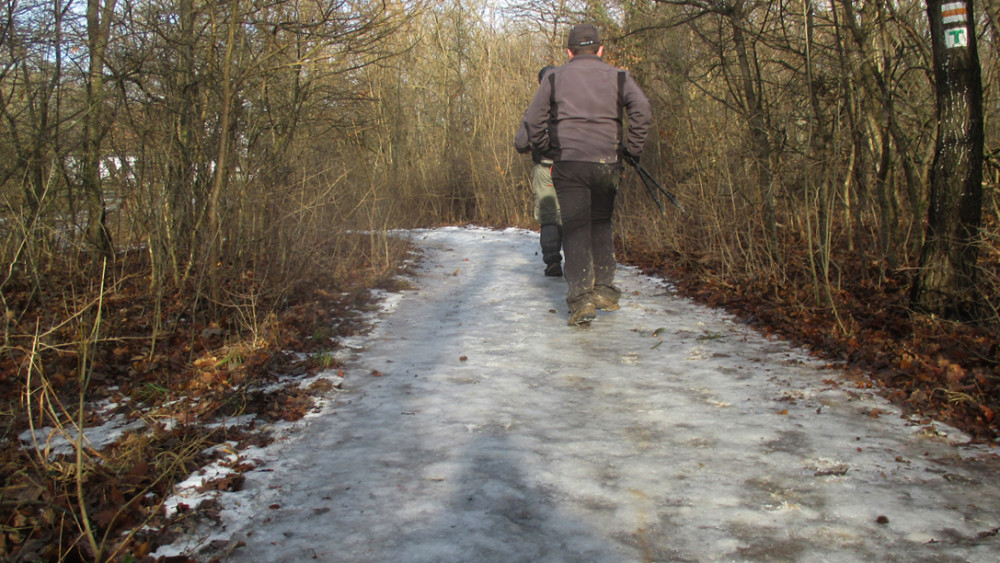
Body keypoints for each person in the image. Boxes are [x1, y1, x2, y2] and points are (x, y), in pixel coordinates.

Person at [524, 23, 652, 326]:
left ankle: (581, 299)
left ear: (569, 52)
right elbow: (642, 109)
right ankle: (605, 291)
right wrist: (631, 150)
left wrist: (549, 148)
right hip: (608, 161)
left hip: (568, 163)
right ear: (600, 49)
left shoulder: (554, 77)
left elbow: (533, 120)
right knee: (601, 223)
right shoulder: (620, 76)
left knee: (575, 227)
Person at [515, 65, 563, 277]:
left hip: (545, 167)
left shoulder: (536, 109)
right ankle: (578, 263)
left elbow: (520, 143)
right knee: (573, 213)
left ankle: (552, 262)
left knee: (549, 215)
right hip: (573, 165)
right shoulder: (575, 104)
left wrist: (536, 145)